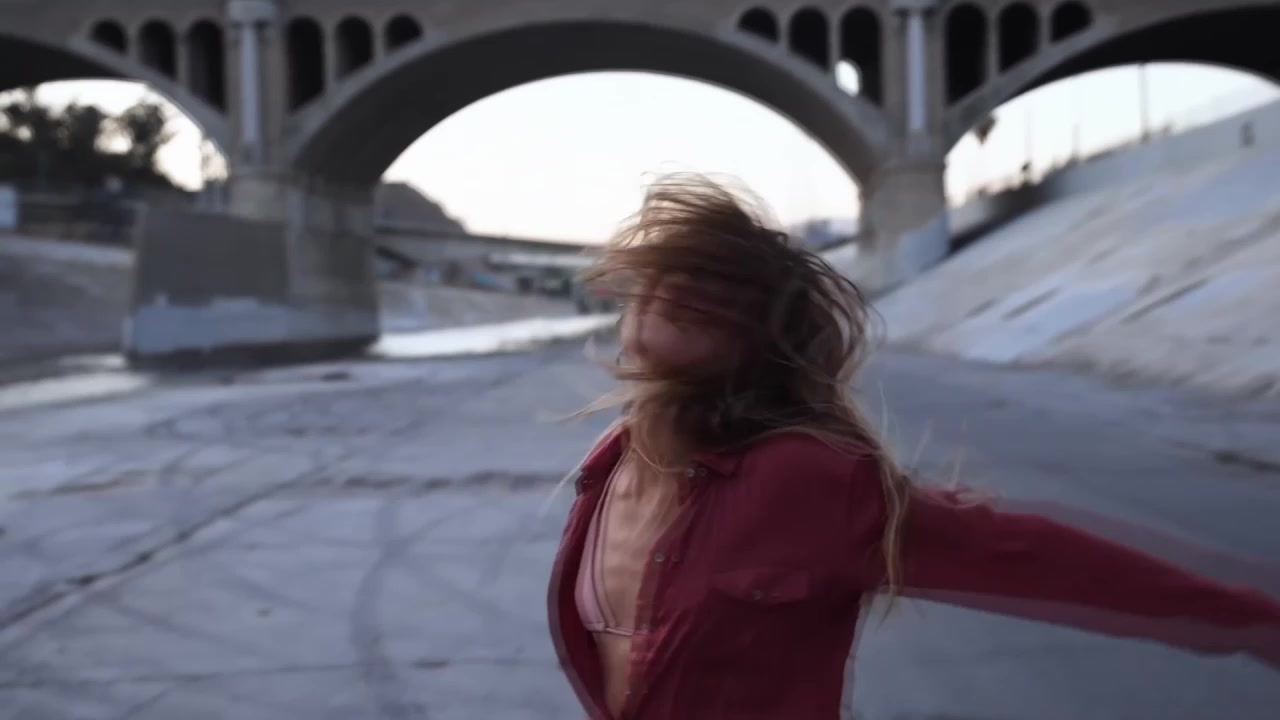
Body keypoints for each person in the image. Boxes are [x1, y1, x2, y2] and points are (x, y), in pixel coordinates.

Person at [546, 175, 1280, 720]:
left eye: (705, 294)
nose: (668, 296)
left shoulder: (802, 477)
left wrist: (1246, 616)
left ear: (758, 337)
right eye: (659, 282)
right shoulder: (611, 463)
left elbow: (1026, 554)